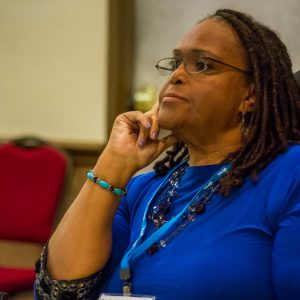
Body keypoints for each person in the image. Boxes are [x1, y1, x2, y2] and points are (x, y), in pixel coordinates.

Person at [34, 8, 300, 300]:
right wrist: (114, 163)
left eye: (202, 64)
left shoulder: (289, 172)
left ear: (250, 95)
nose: (176, 75)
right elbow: (58, 293)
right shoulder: (142, 190)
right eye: (176, 62)